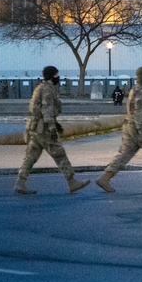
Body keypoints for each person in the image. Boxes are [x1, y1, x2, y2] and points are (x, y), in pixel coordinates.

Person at [15, 66, 89, 195]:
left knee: (31, 156)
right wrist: (52, 128)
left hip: (34, 128)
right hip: (44, 129)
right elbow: (47, 110)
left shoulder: (40, 87)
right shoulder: (48, 90)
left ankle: (20, 183)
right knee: (59, 154)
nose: (58, 77)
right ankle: (72, 182)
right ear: (52, 75)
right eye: (57, 75)